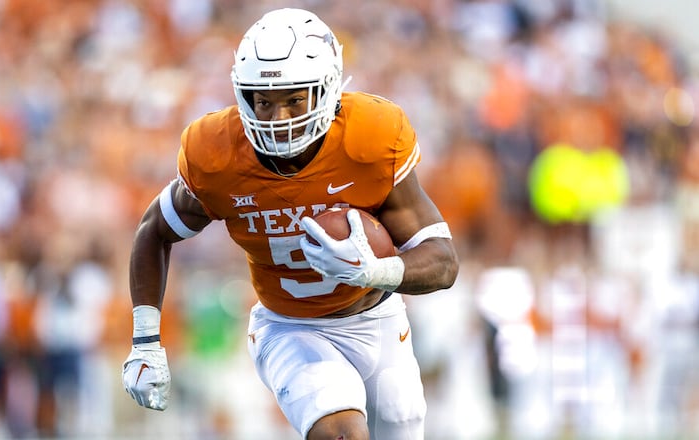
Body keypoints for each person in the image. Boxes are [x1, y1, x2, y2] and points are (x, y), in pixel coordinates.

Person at [122, 7, 459, 440]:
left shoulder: (371, 137)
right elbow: (153, 231)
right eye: (264, 101)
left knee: (400, 423)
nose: (278, 119)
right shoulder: (218, 155)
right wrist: (145, 341)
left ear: (328, 89)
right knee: (341, 434)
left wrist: (376, 271)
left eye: (294, 100)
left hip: (377, 318)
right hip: (290, 328)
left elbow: (443, 261)